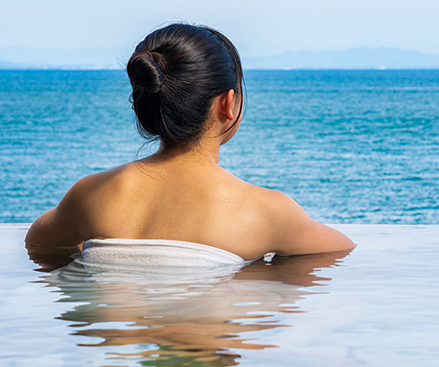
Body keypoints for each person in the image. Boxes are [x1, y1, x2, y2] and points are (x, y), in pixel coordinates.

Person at [26, 23, 354, 264]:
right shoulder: (267, 212)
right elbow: (340, 249)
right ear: (228, 103)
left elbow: (40, 244)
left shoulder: (89, 194)